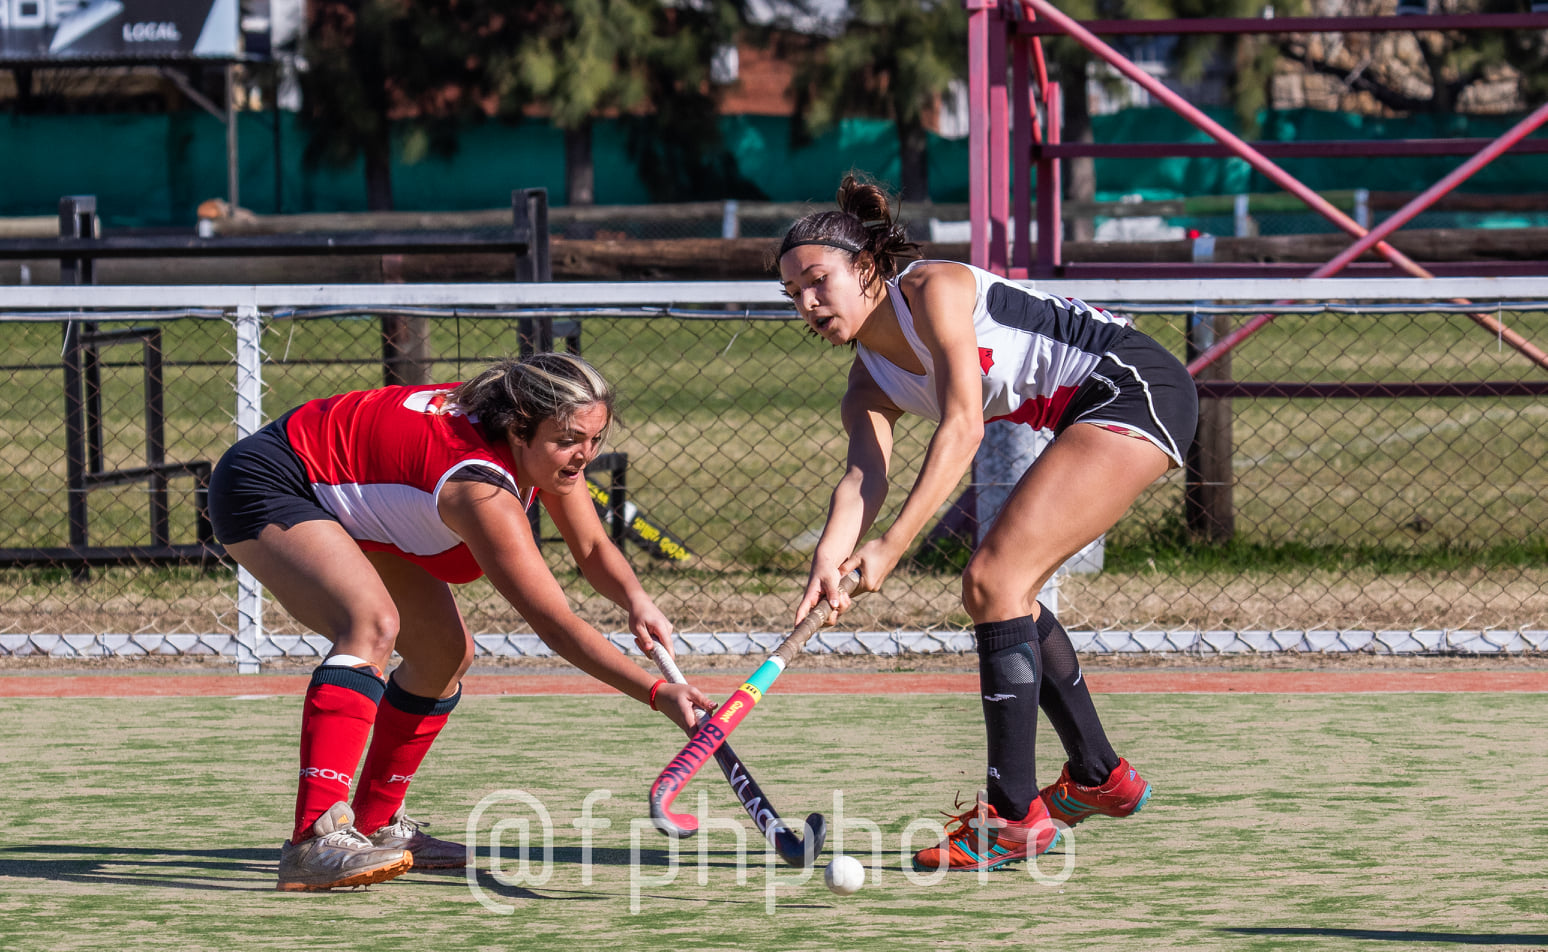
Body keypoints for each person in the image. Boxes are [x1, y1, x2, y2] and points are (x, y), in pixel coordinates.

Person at [779, 176, 1198, 873]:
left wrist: (894, 544)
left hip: (1133, 385)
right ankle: (1100, 777)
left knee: (992, 580)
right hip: (1087, 407)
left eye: (819, 282)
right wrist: (832, 553)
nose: (808, 305)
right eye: (793, 295)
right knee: (1008, 592)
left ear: (868, 266)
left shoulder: (933, 289)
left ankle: (1010, 818)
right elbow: (863, 474)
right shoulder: (868, 380)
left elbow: (965, 423)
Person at [209, 352, 713, 891]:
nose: (583, 455)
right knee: (371, 624)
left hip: (346, 490)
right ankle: (313, 840)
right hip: (272, 482)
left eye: (595, 438)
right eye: (569, 440)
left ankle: (378, 827)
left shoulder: (539, 439)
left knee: (444, 654)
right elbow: (554, 623)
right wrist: (658, 692)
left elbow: (590, 546)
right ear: (519, 429)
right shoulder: (481, 489)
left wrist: (635, 597)